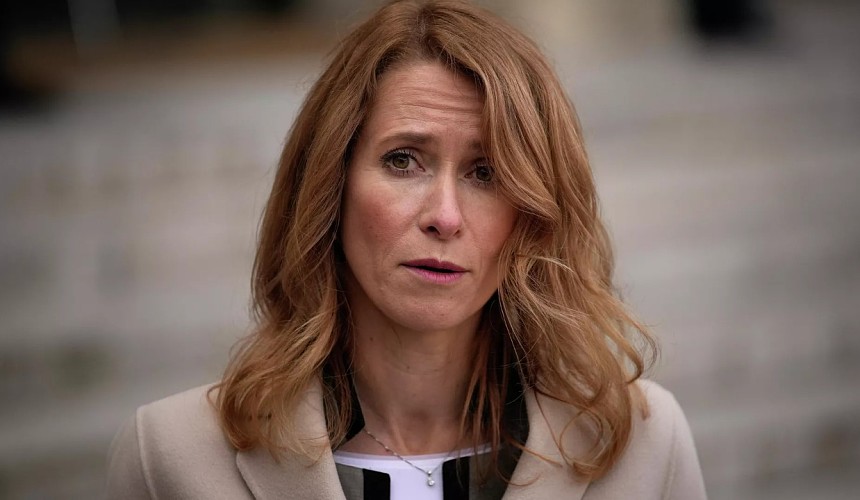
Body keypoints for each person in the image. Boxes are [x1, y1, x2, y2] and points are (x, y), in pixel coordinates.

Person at [106, 1, 707, 498]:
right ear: (330, 184)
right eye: (403, 161)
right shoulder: (170, 458)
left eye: (487, 173)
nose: (445, 217)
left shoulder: (643, 447)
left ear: (532, 213)